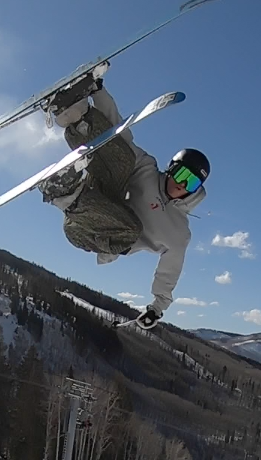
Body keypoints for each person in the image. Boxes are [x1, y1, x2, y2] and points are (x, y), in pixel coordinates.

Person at [39, 68, 209, 329]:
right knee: (124, 157)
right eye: (181, 174)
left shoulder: (179, 233)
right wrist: (99, 91)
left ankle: (65, 193)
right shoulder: (147, 170)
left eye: (192, 182)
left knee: (131, 230)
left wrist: (157, 308)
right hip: (98, 197)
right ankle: (72, 112)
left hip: (94, 235)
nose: (182, 184)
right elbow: (117, 133)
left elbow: (170, 271)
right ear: (172, 168)